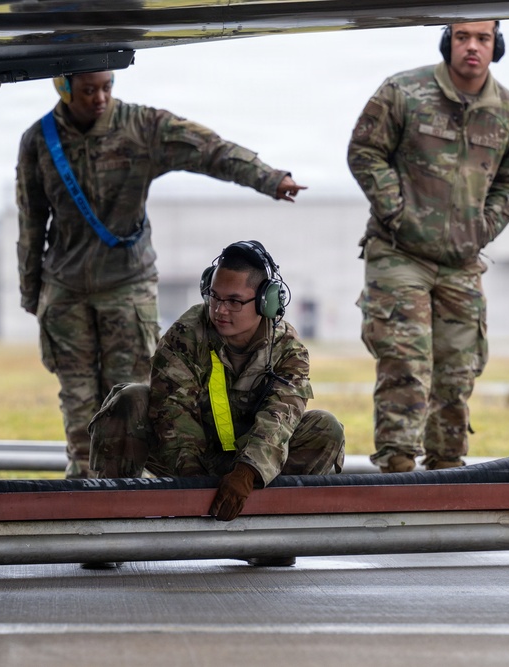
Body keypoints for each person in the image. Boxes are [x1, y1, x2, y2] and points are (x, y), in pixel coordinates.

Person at [16, 70, 308, 478]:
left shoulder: (142, 127)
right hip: (65, 291)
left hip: (127, 287)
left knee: (131, 398)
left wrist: (269, 178)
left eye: (107, 87)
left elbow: (208, 149)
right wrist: (33, 295)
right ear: (63, 88)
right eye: (88, 90)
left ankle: (134, 500)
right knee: (78, 405)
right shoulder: (39, 142)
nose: (100, 98)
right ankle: (85, 493)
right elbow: (31, 222)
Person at [347, 21, 509, 473]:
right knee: (406, 366)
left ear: (496, 46)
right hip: (399, 252)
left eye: (483, 38)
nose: (472, 47)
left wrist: (483, 228)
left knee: (456, 373)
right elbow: (364, 151)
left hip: (461, 260)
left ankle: (447, 473)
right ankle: (396, 469)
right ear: (448, 40)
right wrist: (399, 213)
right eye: (463, 36)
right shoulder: (403, 91)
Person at [88, 241, 345, 545]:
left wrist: (247, 472)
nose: (220, 310)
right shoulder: (187, 333)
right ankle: (106, 530)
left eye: (234, 301)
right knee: (130, 399)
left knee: (325, 428)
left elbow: (279, 419)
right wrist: (194, 482)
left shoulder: (287, 347)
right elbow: (173, 413)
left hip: (250, 464)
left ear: (265, 302)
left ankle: (273, 538)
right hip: (188, 455)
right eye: (214, 296)